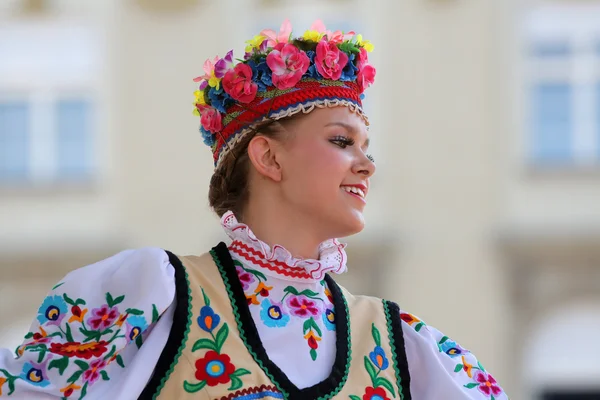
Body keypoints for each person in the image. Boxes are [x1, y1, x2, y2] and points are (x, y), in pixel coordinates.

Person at [0, 19, 507, 400]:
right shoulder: (161, 295)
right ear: (268, 157)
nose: (366, 166)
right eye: (341, 141)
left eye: (366, 148)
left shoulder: (398, 342)